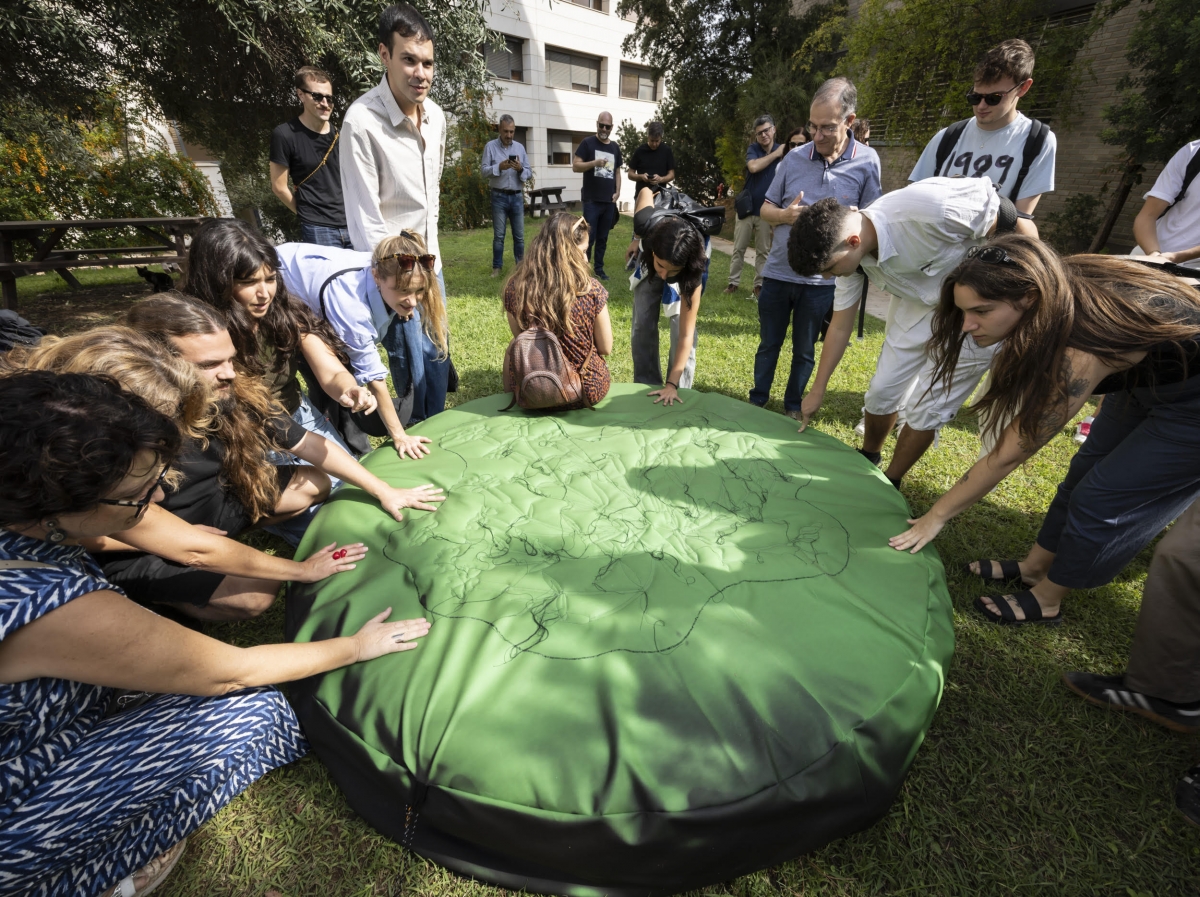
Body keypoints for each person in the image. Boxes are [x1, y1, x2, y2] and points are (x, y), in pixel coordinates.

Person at [0, 370, 431, 897]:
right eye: (139, 495)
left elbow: (193, 546)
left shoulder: (36, 506)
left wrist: (302, 571)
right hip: (17, 795)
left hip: (46, 715)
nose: (159, 496)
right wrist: (357, 646)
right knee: (261, 714)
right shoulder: (52, 608)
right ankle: (91, 872)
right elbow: (229, 673)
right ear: (64, 508)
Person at [887, 236, 1200, 634]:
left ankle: (1049, 598)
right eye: (964, 311)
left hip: (1193, 401)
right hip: (1149, 379)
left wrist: (936, 516)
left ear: (1030, 298)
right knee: (1082, 473)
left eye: (982, 311)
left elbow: (1010, 453)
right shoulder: (1054, 283)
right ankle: (1035, 568)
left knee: (1103, 496)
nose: (967, 325)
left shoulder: (1081, 349)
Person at [6, 325, 370, 624]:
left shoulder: (78, 435)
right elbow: (220, 672)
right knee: (254, 592)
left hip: (116, 530)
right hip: (87, 559)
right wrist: (302, 573)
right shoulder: (72, 463)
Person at [121, 294, 444, 619]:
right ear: (156, 363)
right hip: (136, 537)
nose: (229, 373)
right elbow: (90, 530)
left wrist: (383, 490)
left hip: (210, 507)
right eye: (209, 365)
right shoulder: (119, 423)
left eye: (230, 360)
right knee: (257, 594)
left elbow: (309, 445)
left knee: (313, 483)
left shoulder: (233, 392)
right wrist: (300, 571)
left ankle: (234, 533)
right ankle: (152, 602)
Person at [791, 177, 1032, 487]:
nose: (827, 275)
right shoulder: (854, 258)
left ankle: (892, 480)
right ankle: (869, 456)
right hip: (919, 306)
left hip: (977, 312)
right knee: (881, 392)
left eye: (829, 268)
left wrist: (1034, 288)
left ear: (852, 242)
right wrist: (817, 389)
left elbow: (1014, 221)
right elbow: (839, 325)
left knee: (927, 409)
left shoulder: (928, 207)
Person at [181, 218, 376, 454]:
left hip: (299, 417)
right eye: (248, 282)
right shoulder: (197, 334)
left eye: (270, 279)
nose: (264, 294)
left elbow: (331, 371)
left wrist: (348, 389)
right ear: (218, 282)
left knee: (349, 485)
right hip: (245, 436)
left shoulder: (285, 313)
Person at [340, 2, 451, 416]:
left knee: (437, 360)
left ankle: (440, 436)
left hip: (430, 264)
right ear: (384, 54)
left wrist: (432, 265)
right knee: (411, 372)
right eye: (409, 60)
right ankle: (416, 454)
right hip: (396, 272)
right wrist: (397, 286)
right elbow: (365, 219)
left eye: (427, 62)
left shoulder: (437, 118)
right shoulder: (361, 121)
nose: (420, 73)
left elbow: (432, 197)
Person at [749, 78, 881, 420]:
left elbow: (874, 220)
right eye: (813, 126)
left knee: (805, 349)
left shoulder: (867, 162)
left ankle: (794, 405)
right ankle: (757, 398)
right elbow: (764, 209)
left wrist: (856, 219)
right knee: (769, 343)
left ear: (850, 121)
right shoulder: (792, 159)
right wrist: (785, 215)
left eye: (827, 127)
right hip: (778, 272)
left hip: (823, 283)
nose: (817, 135)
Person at [276, 231, 450, 441]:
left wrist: (402, 302)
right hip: (281, 286)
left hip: (305, 270)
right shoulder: (352, 306)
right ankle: (334, 435)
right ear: (376, 276)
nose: (413, 301)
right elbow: (374, 378)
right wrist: (399, 436)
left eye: (419, 291)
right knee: (326, 377)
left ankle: (348, 437)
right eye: (403, 291)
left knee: (345, 374)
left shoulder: (389, 267)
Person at [908, 39, 1056, 220]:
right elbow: (913, 200)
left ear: (1023, 87)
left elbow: (1019, 220)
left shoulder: (1038, 141)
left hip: (988, 247)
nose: (981, 106)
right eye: (975, 97)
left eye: (994, 98)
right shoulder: (948, 136)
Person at [502, 212, 613, 408]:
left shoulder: (515, 289)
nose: (586, 260)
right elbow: (606, 347)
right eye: (584, 251)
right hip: (584, 392)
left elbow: (520, 337)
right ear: (567, 251)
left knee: (512, 346)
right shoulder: (590, 289)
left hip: (533, 392)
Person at [625, 187, 712, 403]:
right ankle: (646, 384)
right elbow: (645, 189)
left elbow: (685, 335)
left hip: (685, 257)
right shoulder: (646, 224)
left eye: (670, 271)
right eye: (661, 267)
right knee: (642, 323)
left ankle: (680, 390)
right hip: (655, 244)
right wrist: (636, 238)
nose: (663, 276)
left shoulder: (691, 270)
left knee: (678, 323)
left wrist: (672, 384)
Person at [269, 65, 352, 248]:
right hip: (318, 229)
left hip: (352, 224)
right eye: (317, 96)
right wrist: (306, 215)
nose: (325, 103)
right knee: (326, 277)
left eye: (329, 98)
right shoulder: (285, 134)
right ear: (300, 95)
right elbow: (278, 186)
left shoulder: (341, 135)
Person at [727, 114, 784, 297]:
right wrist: (776, 154)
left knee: (763, 251)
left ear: (774, 129)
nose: (764, 135)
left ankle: (758, 286)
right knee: (739, 248)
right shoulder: (754, 149)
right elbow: (753, 167)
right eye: (759, 133)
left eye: (767, 130)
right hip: (747, 208)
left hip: (767, 210)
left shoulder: (785, 151)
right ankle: (733, 283)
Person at [1132, 138, 1200, 270]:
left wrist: (1177, 257)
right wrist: (1154, 254)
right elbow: (1147, 216)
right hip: (1150, 255)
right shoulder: (1193, 151)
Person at [573, 112, 623, 280]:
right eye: (601, 125)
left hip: (608, 202)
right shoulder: (587, 143)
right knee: (589, 237)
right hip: (591, 201)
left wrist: (618, 191)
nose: (603, 129)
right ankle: (584, 270)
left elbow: (617, 172)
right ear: (597, 124)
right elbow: (575, 166)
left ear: (611, 128)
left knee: (603, 238)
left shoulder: (615, 147)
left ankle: (599, 269)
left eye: (607, 126)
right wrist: (594, 163)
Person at [481, 114, 531, 277]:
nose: (509, 135)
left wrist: (520, 169)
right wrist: (499, 167)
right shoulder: (490, 147)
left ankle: (521, 268)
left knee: (519, 236)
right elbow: (483, 171)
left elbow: (528, 173)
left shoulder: (520, 148)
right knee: (499, 236)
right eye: (506, 132)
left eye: (512, 132)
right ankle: (497, 268)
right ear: (499, 130)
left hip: (516, 196)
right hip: (499, 196)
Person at [627, 121, 676, 195]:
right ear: (648, 137)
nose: (654, 144)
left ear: (661, 137)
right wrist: (641, 177)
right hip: (642, 196)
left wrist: (661, 179)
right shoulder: (640, 151)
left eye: (657, 141)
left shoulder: (667, 151)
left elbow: (671, 174)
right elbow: (630, 174)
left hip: (661, 197)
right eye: (652, 140)